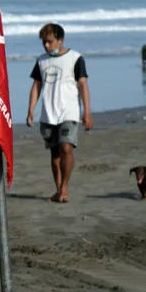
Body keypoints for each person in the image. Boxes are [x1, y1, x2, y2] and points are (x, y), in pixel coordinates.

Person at [26, 23, 92, 203]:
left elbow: (83, 85)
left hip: (69, 112)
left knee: (66, 148)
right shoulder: (41, 60)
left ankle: (64, 187)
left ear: (60, 40)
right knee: (54, 155)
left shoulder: (75, 58)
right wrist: (31, 109)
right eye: (44, 43)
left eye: (49, 42)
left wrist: (86, 112)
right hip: (48, 113)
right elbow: (36, 86)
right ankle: (58, 190)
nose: (46, 46)